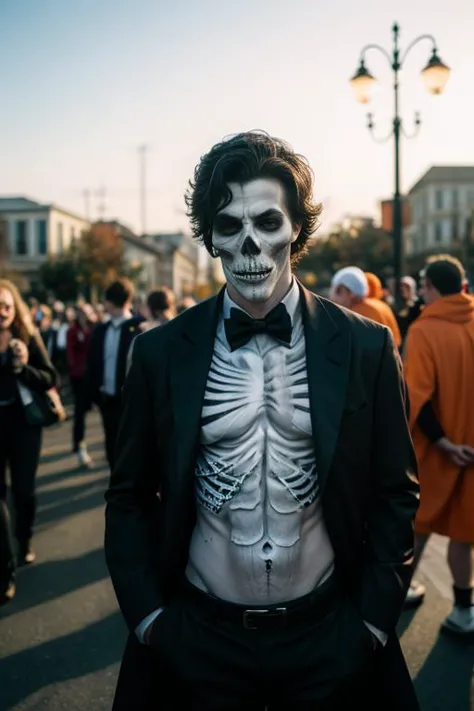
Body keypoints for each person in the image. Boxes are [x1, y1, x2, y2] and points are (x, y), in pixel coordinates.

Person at [105, 132, 420, 710]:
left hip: (328, 631)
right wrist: (151, 618)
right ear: (210, 239)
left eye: (268, 222)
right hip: (201, 637)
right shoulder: (160, 353)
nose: (250, 245)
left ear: (296, 227)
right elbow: (128, 495)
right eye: (228, 227)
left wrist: (373, 620)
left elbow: (395, 491)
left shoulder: (365, 348)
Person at [403, 255, 474, 633]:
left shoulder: (424, 330)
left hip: (437, 450)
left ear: (430, 288)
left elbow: (418, 397)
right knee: (465, 533)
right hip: (473, 451)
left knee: (418, 524)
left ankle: (397, 592)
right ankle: (464, 610)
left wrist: (444, 443)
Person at [0, 279, 56, 592]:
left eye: (7, 306)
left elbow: (50, 377)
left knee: (23, 491)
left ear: (15, 307)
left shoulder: (27, 335)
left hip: (23, 426)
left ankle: (24, 539)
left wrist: (23, 367)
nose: (2, 312)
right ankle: (5, 571)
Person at [84, 278, 142, 470]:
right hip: (107, 397)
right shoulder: (101, 329)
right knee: (111, 443)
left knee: (131, 445)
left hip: (130, 400)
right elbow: (93, 364)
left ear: (110, 301)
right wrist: (92, 394)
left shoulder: (138, 328)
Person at [67, 305, 95, 468]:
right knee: (79, 413)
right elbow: (70, 354)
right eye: (81, 313)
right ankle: (79, 445)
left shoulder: (94, 328)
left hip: (92, 375)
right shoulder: (72, 331)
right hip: (78, 376)